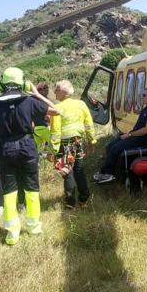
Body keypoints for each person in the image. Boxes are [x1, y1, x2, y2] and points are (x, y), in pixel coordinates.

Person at [0, 67, 59, 245]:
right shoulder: (30, 101)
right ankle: (34, 227)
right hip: (27, 146)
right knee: (32, 188)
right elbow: (56, 111)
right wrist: (36, 94)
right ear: (23, 82)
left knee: (10, 191)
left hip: (5, 149)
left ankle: (12, 233)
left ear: (1, 83)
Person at [93, 87, 147, 183]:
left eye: (144, 95)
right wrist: (130, 134)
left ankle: (108, 174)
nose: (142, 97)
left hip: (141, 139)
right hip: (135, 136)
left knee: (115, 148)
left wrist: (129, 134)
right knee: (110, 146)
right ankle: (109, 171)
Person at [50, 80, 97, 208]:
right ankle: (84, 199)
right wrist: (92, 141)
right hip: (78, 143)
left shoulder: (57, 108)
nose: (54, 92)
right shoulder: (81, 104)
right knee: (79, 170)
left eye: (57, 89)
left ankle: (70, 203)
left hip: (65, 145)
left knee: (67, 173)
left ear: (64, 93)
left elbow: (55, 131)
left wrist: (53, 150)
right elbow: (89, 124)